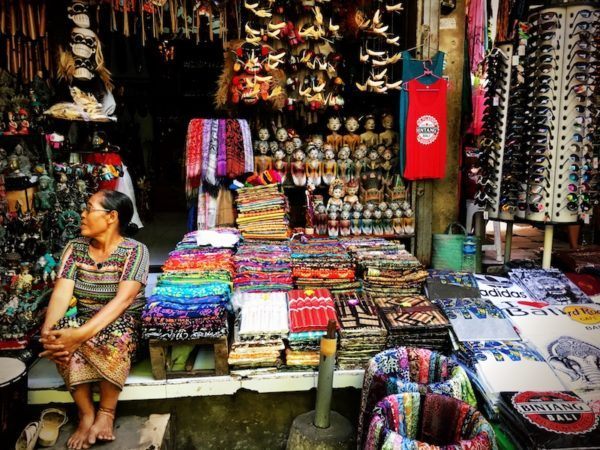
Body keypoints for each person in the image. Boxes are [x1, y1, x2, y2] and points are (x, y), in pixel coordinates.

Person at [40, 190, 149, 450]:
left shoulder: (135, 251)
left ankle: (106, 413)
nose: (83, 214)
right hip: (84, 320)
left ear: (111, 216)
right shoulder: (75, 248)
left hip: (122, 321)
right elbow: (61, 293)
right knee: (60, 333)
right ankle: (86, 413)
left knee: (115, 332)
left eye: (90, 209)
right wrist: (48, 333)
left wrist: (80, 335)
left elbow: (123, 301)